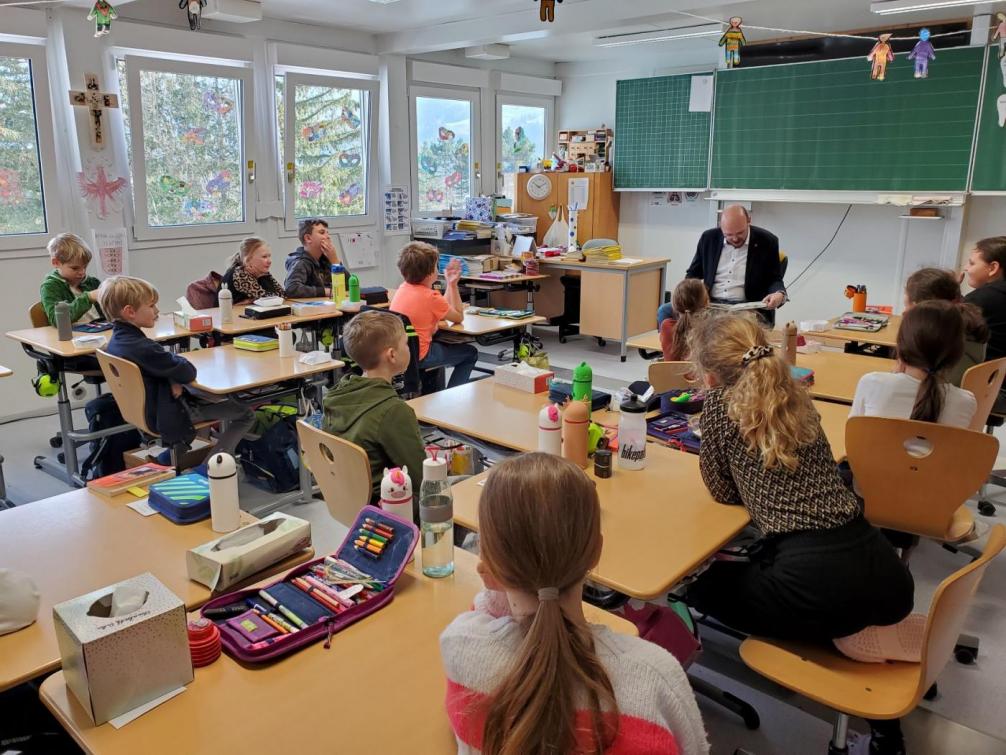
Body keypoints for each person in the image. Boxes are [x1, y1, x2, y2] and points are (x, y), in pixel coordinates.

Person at [440, 453, 709, 755]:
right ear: (596, 552)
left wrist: (498, 578)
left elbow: (486, 608)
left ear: (487, 569)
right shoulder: (657, 678)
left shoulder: (461, 646)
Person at [684, 315, 914, 641]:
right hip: (881, 568)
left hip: (809, 581)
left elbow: (721, 491)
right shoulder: (796, 394)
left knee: (702, 586)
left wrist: (751, 482)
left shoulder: (720, 405)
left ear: (709, 377)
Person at [100, 276, 255, 457]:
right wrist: (176, 375)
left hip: (150, 409)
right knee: (245, 413)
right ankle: (211, 467)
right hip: (169, 413)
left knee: (205, 394)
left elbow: (169, 366)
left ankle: (177, 458)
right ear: (130, 312)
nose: (157, 311)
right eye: (151, 306)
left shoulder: (117, 341)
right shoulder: (143, 348)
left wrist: (172, 377)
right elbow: (187, 371)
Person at [323, 311, 426, 515]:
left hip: (355, 503)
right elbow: (422, 478)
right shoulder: (394, 411)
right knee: (464, 485)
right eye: (406, 343)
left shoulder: (335, 398)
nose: (409, 348)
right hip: (392, 507)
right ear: (392, 355)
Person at [851, 300, 976, 428]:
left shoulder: (872, 383)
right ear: (956, 354)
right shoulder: (966, 402)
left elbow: (852, 437)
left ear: (901, 345)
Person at [658, 205, 786, 327]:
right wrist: (688, 294)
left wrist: (779, 294)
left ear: (749, 221)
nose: (735, 238)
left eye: (740, 233)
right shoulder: (709, 238)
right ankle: (679, 349)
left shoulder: (767, 241)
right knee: (665, 311)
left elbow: (774, 278)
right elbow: (693, 273)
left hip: (745, 306)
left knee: (725, 325)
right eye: (728, 235)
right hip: (709, 303)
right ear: (721, 227)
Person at [390, 242, 477, 388]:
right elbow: (458, 317)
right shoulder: (430, 297)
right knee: (470, 354)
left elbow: (443, 311)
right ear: (431, 272)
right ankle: (453, 395)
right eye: (436, 266)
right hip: (422, 355)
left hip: (402, 353)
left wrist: (449, 284)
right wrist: (454, 285)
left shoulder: (403, 288)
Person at [903, 268, 988, 387]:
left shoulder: (939, 339)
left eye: (907, 306)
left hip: (940, 397)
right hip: (965, 393)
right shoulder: (968, 324)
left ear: (922, 308)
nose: (904, 312)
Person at [41, 233, 104, 325]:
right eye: (75, 268)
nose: (82, 272)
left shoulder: (92, 283)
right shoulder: (50, 287)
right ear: (56, 263)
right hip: (73, 336)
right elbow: (58, 320)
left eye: (85, 267)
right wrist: (88, 298)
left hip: (99, 332)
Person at [963, 236, 1006, 361]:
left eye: (971, 263)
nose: (966, 267)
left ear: (993, 268)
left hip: (979, 375)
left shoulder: (979, 299)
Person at [284, 218, 346, 298]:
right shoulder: (301, 262)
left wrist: (335, 261)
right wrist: (325, 291)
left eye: (327, 233)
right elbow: (292, 289)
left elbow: (348, 285)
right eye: (322, 232)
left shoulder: (326, 259)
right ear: (308, 238)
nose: (328, 237)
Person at [221, 237, 285, 304]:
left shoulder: (261, 272)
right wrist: (255, 300)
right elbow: (270, 300)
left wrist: (252, 300)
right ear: (248, 260)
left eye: (269, 256)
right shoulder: (240, 274)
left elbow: (282, 295)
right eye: (264, 257)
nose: (269, 261)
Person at [660, 278, 709, 362]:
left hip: (669, 375)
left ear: (674, 305)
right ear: (707, 303)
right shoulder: (710, 329)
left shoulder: (666, 326)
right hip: (699, 375)